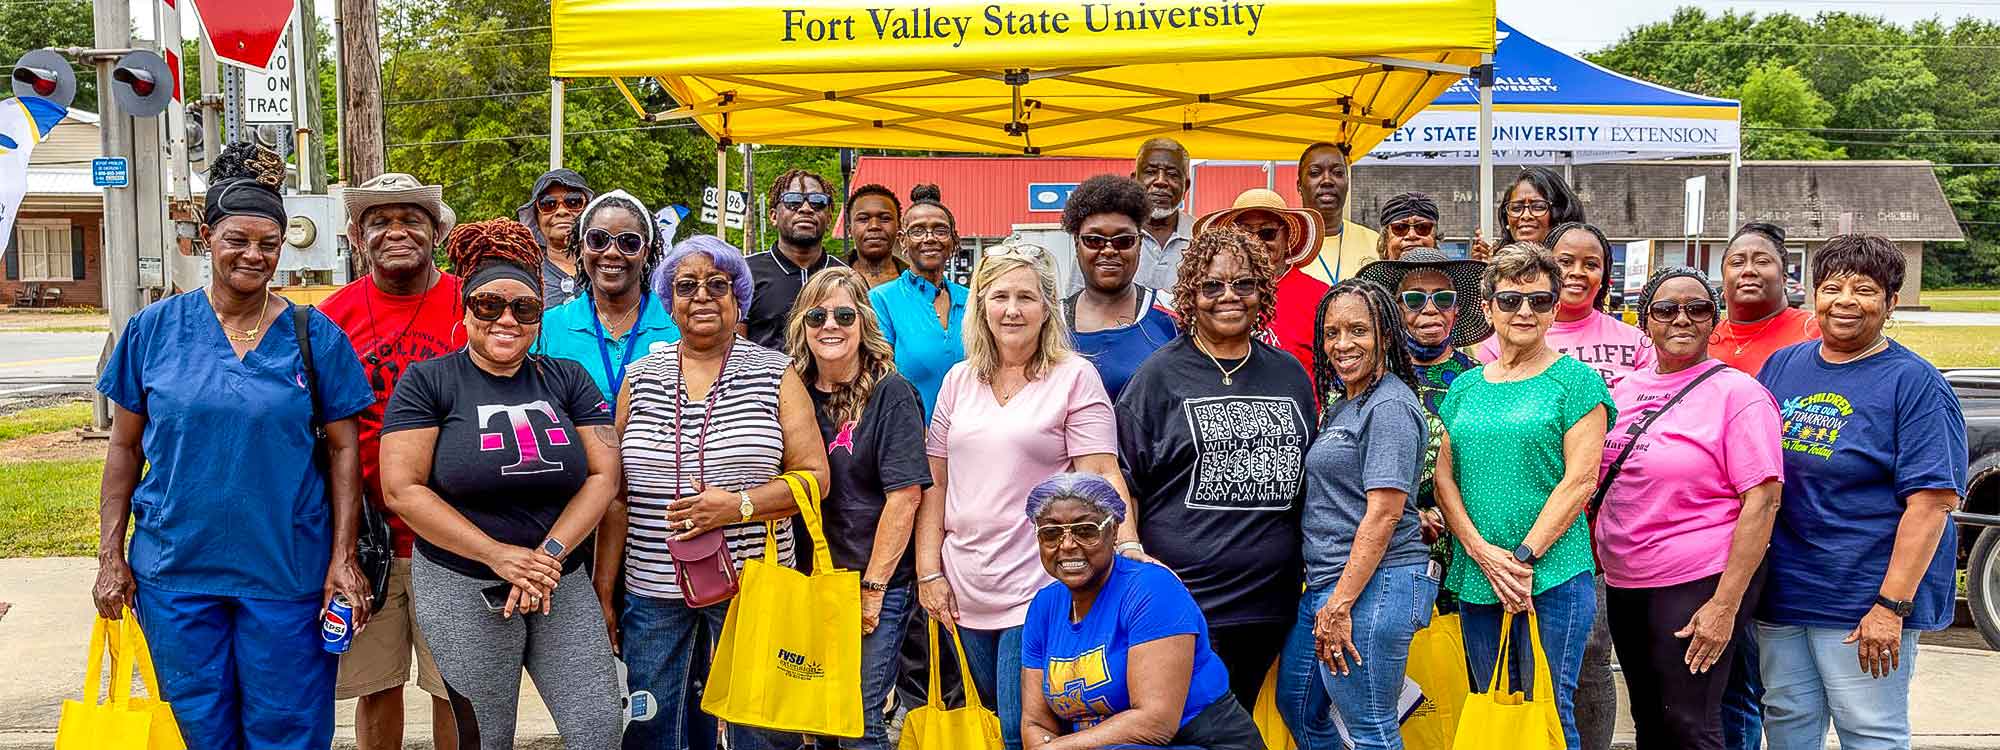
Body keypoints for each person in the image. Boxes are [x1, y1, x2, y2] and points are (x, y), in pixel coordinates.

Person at [91, 142, 376, 750]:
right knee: (194, 726)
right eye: (236, 239)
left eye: (268, 244)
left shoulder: (312, 333)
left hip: (286, 572)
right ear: (205, 236)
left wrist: (342, 557)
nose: (253, 255)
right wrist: (110, 555)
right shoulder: (155, 329)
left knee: (288, 727)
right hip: (176, 571)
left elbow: (345, 451)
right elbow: (123, 449)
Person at [377, 219, 623, 749]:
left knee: (598, 727)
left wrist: (547, 555)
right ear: (465, 309)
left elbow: (605, 475)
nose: (506, 319)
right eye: (489, 305)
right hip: (463, 579)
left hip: (558, 575)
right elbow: (402, 489)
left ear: (539, 316)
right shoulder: (430, 381)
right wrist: (497, 555)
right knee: (484, 736)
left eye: (524, 308)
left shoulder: (567, 378)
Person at [600, 234, 831, 750]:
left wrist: (738, 506)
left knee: (761, 728)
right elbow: (616, 496)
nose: (701, 295)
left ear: (738, 298)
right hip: (653, 588)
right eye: (686, 286)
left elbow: (816, 477)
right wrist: (604, 589)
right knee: (653, 725)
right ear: (669, 301)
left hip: (755, 586)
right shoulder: (639, 376)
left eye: (717, 285)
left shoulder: (776, 372)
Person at [1754, 234, 1967, 750]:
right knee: (1786, 723)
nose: (1845, 301)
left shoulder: (1915, 384)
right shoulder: (1785, 366)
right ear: (1813, 296)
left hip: (1863, 601)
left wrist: (1890, 607)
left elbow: (1931, 503)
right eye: (1833, 287)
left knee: (1870, 731)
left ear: (1891, 302)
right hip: (1785, 593)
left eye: (1865, 290)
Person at [917, 241, 1132, 750]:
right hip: (964, 581)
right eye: (999, 296)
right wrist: (929, 570)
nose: (1012, 310)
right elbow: (935, 484)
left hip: (1036, 583)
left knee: (1021, 731)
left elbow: (1100, 474)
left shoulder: (1074, 377)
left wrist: (1128, 549)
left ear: (1047, 307)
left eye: (1026, 297)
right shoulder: (957, 380)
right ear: (981, 305)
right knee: (987, 718)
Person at [1115, 226, 1318, 711]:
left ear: (1262, 292)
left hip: (1271, 606)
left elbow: (1313, 476)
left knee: (1246, 718)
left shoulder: (1288, 373)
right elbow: (1122, 479)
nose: (1229, 296)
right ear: (1191, 295)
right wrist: (1130, 559)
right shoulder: (1158, 376)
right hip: (1184, 601)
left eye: (1244, 284)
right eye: (1212, 286)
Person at [1433, 243, 1614, 750]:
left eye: (1539, 300)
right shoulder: (1465, 386)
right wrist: (1481, 552)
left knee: (1549, 707)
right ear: (1488, 307)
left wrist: (1522, 558)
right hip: (1478, 571)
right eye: (1511, 300)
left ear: (1556, 308)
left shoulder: (1576, 382)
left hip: (1551, 572)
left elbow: (1581, 480)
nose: (1525, 312)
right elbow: (1446, 477)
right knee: (1492, 704)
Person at [1597, 267, 1783, 750]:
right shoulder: (1624, 391)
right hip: (1626, 579)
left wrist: (1725, 605)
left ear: (1713, 320)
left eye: (1697, 308)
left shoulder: (1738, 395)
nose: (1682, 318)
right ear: (1646, 322)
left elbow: (1762, 503)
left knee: (1690, 724)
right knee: (1650, 720)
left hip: (1697, 578)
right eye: (1666, 309)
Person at [319, 171, 464, 750]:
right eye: (380, 221)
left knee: (456, 686)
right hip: (368, 539)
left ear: (436, 232)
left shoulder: (472, 304)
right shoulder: (332, 317)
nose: (396, 231)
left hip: (454, 537)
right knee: (376, 685)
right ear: (359, 237)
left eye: (411, 220)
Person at [1275, 279, 1434, 750]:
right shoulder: (1345, 404)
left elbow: (1384, 514)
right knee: (1299, 708)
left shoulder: (1388, 405)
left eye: (1358, 331)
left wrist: (1341, 603)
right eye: (1332, 332)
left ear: (1384, 334)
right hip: (1329, 583)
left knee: (1370, 725)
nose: (1342, 345)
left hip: (1372, 585)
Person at [786, 267, 932, 750]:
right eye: (817, 315)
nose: (830, 325)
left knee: (856, 719)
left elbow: (905, 496)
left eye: (844, 314)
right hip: (809, 581)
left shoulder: (892, 393)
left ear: (863, 322)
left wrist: (872, 588)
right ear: (802, 326)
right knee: (819, 717)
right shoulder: (791, 391)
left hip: (874, 581)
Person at [1020, 473, 1266, 750]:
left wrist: (1054, 749)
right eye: (1051, 534)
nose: (1066, 545)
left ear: (1113, 531)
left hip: (1201, 741)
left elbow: (1155, 723)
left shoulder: (1152, 590)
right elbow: (1035, 723)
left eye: (1085, 530)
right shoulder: (1044, 606)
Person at [1353, 249, 1490, 610]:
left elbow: (1490, 470)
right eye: (1414, 299)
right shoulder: (1365, 378)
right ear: (1395, 310)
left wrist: (1443, 516)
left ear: (1456, 310)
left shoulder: (1481, 381)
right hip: (1381, 550)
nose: (1430, 309)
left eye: (1443, 299)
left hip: (1462, 552)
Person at [536, 190, 681, 399]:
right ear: (582, 247)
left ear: (646, 252)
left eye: (628, 242)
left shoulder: (677, 327)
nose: (612, 252)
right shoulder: (547, 328)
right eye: (598, 239)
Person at [1480, 221, 1654, 387]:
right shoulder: (1502, 342)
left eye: (1591, 265)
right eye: (1565, 262)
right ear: (1545, 270)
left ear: (1604, 277)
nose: (1577, 272)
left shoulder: (1637, 342)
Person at [1062, 174, 1179, 400]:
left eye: (1123, 241)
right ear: (1077, 242)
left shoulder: (1172, 314)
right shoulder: (1050, 322)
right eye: (1094, 240)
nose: (1108, 250)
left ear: (1139, 244)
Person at [1191, 188, 1327, 377]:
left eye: (1267, 233)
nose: (1255, 242)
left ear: (1286, 236)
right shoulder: (1211, 292)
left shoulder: (1319, 295)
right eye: (1244, 233)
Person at [870, 184, 969, 414]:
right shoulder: (882, 300)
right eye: (918, 230)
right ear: (903, 241)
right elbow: (878, 378)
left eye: (940, 230)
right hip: (911, 436)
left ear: (953, 240)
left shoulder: (973, 299)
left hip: (971, 436)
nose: (930, 238)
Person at [1066, 138, 1198, 294]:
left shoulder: (1200, 235)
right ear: (1134, 180)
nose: (1161, 181)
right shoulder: (1101, 237)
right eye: (1150, 172)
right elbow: (1076, 299)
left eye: (1172, 174)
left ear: (1186, 186)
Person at [746, 168, 847, 350]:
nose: (806, 209)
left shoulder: (845, 276)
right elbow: (733, 348)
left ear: (830, 217)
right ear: (773, 216)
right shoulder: (745, 273)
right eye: (793, 201)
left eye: (818, 202)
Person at [1712, 222, 1816, 375]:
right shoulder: (1703, 339)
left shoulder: (1815, 332)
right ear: (1723, 282)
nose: (1748, 270)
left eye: (1762, 261)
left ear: (1784, 278)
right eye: (1737, 262)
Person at [1294, 142, 1381, 285]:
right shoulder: (1285, 247)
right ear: (1299, 185)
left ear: (1347, 182)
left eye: (1338, 173)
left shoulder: (1375, 243)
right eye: (1315, 173)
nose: (1327, 180)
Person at [514, 168, 594, 307]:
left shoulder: (609, 265)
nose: (561, 211)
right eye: (548, 204)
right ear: (536, 219)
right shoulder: (524, 273)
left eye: (573, 202)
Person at [845, 183, 909, 289]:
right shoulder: (828, 275)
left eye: (885, 218)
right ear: (849, 230)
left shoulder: (916, 281)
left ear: (899, 227)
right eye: (863, 219)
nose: (874, 226)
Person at [1374, 192, 1441, 261]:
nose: (1412, 235)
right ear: (1385, 240)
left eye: (1422, 227)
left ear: (1434, 238)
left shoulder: (1450, 272)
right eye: (1400, 228)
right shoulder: (1367, 271)